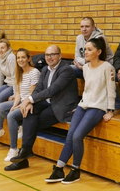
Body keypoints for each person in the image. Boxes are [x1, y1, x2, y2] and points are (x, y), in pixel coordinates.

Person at [45, 37, 115, 184]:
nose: (86, 52)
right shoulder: (86, 68)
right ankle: (59, 168)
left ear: (99, 51)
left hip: (98, 107)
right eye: (85, 49)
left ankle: (75, 170)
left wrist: (110, 110)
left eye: (90, 49)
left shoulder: (107, 67)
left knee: (77, 136)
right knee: (70, 134)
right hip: (84, 105)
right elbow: (87, 89)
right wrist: (81, 103)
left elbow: (111, 90)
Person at [5, 45, 79, 171]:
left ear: (60, 56)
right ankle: (24, 153)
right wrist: (30, 102)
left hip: (61, 106)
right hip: (48, 102)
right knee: (28, 112)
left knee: (31, 122)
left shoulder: (66, 70)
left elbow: (52, 90)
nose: (49, 58)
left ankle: (24, 154)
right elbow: (39, 88)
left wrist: (29, 99)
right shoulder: (45, 69)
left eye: (53, 54)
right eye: (47, 55)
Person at [0, 48, 40, 161]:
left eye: (23, 57)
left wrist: (22, 104)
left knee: (11, 116)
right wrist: (14, 105)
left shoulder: (34, 72)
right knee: (1, 108)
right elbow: (18, 93)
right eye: (18, 58)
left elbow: (32, 94)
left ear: (28, 59)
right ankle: (19, 126)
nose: (20, 60)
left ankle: (14, 148)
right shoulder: (19, 72)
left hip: (30, 102)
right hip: (21, 101)